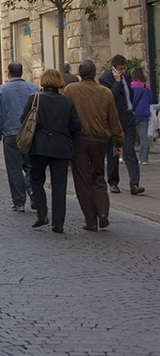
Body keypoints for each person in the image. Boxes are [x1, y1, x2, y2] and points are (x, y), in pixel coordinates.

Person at [64, 59, 124, 231]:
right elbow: (114, 120)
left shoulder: (71, 90)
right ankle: (103, 212)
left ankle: (91, 220)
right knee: (98, 176)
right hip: (100, 141)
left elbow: (66, 115)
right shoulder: (105, 93)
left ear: (80, 74)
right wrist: (119, 142)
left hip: (80, 139)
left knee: (82, 179)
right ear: (95, 73)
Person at [20, 69, 81, 234]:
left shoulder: (35, 99)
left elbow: (23, 119)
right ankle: (58, 223)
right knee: (59, 185)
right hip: (61, 147)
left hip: (39, 146)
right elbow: (76, 125)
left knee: (36, 179)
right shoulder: (67, 102)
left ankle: (42, 213)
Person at [0, 61, 39, 212]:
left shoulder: (1, 90)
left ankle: (19, 201)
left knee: (14, 168)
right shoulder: (33, 88)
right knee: (31, 165)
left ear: (8, 73)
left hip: (11, 134)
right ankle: (32, 190)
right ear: (22, 72)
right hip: (30, 133)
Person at [99, 54, 144, 195]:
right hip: (114, 119)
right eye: (120, 68)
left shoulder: (128, 78)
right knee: (114, 151)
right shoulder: (105, 79)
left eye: (124, 68)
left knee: (129, 150)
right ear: (114, 68)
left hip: (128, 116)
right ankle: (113, 183)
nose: (123, 71)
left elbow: (128, 95)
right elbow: (109, 97)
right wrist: (117, 82)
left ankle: (134, 183)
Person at [131, 67, 152, 165]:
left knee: (128, 136)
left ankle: (125, 157)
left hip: (133, 114)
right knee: (144, 137)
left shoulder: (130, 86)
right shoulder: (147, 87)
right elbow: (150, 100)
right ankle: (144, 159)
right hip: (144, 114)